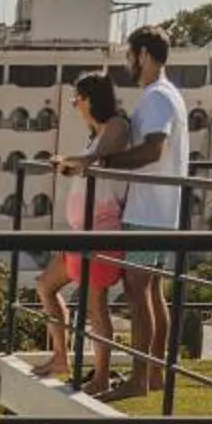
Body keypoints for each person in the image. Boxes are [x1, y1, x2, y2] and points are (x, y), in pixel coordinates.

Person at [64, 26, 189, 398]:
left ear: (145, 55)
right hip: (161, 211)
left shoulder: (157, 98)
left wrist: (107, 163)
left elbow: (154, 149)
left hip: (149, 210)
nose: (129, 64)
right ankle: (153, 374)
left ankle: (139, 380)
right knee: (151, 292)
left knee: (139, 293)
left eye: (131, 55)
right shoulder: (170, 96)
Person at [45, 73, 134, 392]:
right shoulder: (95, 133)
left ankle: (100, 377)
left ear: (91, 98)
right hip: (81, 231)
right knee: (46, 284)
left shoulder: (117, 126)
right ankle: (60, 357)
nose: (74, 105)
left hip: (101, 230)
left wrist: (69, 162)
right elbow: (87, 163)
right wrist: (70, 163)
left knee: (96, 304)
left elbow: (96, 161)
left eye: (77, 99)